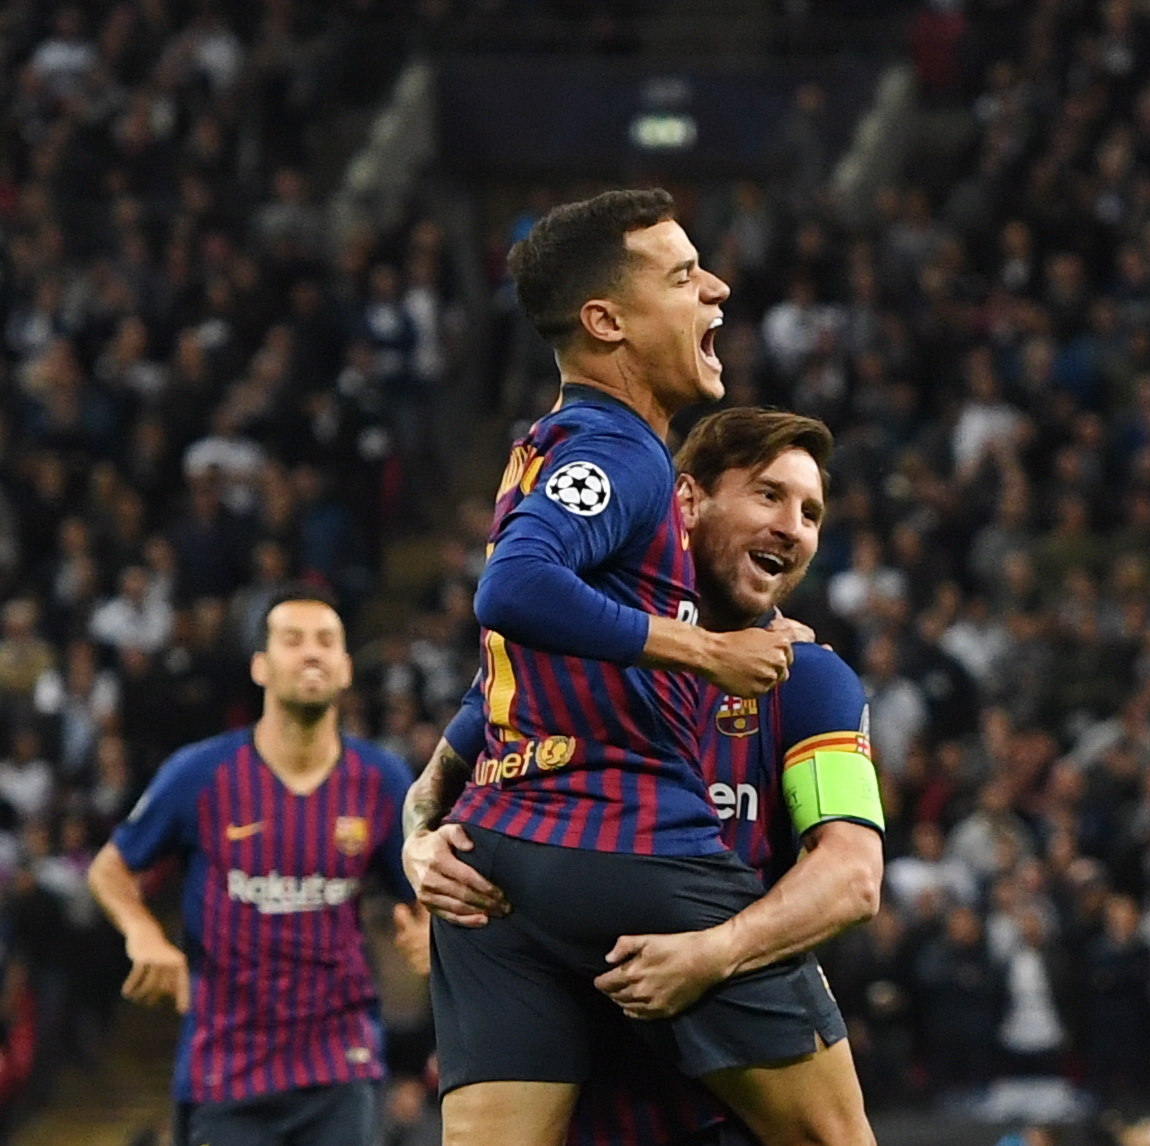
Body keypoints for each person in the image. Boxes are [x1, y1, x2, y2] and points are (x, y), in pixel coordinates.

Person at [414, 187, 869, 1146]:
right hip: (629, 848)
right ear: (606, 321)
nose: (717, 288)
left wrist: (423, 838)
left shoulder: (806, 677)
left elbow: (852, 875)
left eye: (812, 513)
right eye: (684, 275)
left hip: (500, 864)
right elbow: (512, 586)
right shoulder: (626, 452)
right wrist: (708, 650)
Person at [86, 589, 420, 1146]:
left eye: (326, 642)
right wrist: (143, 932)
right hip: (225, 1070)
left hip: (341, 1064)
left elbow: (423, 893)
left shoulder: (381, 779)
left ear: (344, 668)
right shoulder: (200, 774)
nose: (310, 653)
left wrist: (428, 931)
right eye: (292, 640)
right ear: (260, 666)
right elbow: (109, 870)